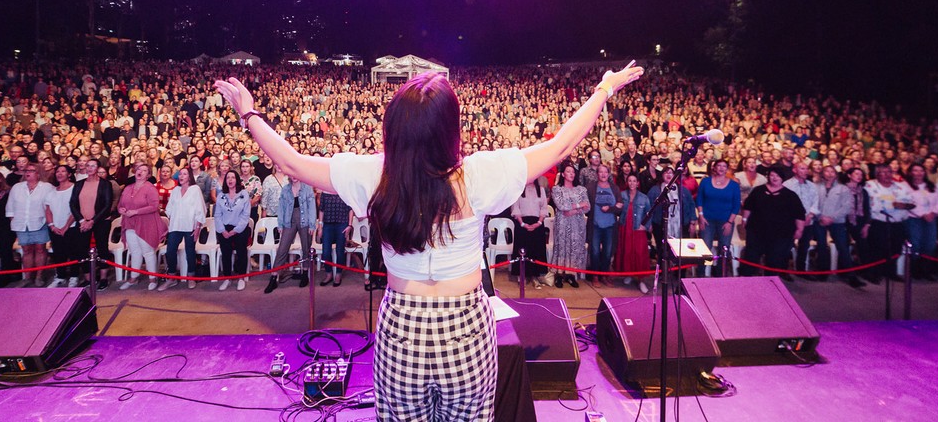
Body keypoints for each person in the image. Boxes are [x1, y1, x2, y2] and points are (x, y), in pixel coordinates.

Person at [215, 63, 643, 420]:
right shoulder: (479, 174)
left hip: (402, 326)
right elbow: (562, 143)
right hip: (466, 328)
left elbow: (290, 161)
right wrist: (603, 90)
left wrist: (249, 114)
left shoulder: (374, 174)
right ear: (449, 130)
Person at [739, 168, 806, 280]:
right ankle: (746, 279)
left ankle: (771, 282)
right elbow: (748, 206)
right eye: (772, 175)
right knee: (751, 256)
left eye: (777, 176)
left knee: (775, 259)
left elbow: (799, 214)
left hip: (781, 234)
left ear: (782, 179)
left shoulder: (790, 195)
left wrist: (800, 230)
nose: (774, 178)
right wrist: (745, 220)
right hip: (757, 231)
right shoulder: (758, 191)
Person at [264, 172, 316, 294]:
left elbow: (312, 207)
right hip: (289, 220)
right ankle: (274, 276)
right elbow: (281, 207)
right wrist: (280, 224)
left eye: (296, 174)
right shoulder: (286, 189)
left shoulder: (307, 188)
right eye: (292, 174)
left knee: (306, 247)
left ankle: (304, 273)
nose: (294, 176)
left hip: (305, 220)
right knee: (282, 248)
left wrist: (312, 224)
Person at [118, 163, 167, 291]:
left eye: (144, 170)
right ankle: (133, 277)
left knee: (148, 252)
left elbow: (154, 206)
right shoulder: (128, 188)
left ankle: (153, 278)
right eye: (139, 169)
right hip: (130, 223)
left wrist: (136, 212)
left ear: (148, 174)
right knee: (134, 251)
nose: (140, 171)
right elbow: (120, 204)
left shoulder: (150, 188)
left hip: (146, 223)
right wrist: (121, 209)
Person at [862, 164, 913, 284]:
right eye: (883, 172)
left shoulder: (902, 187)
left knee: (896, 248)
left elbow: (912, 204)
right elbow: (864, 205)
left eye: (889, 172)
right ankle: (875, 273)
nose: (887, 175)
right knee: (877, 249)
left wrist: (904, 205)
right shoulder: (869, 186)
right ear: (877, 174)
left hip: (897, 223)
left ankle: (891, 272)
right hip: (878, 222)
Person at [815, 165, 864, 287]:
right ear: (822, 173)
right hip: (820, 220)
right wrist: (820, 217)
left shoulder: (843, 188)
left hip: (837, 221)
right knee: (821, 246)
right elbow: (813, 203)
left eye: (832, 171)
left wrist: (832, 218)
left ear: (836, 174)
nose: (830, 173)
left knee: (843, 247)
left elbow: (847, 206)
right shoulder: (815, 187)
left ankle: (851, 276)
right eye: (827, 171)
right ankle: (822, 272)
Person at [6, 164, 54, 286]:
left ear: (38, 173)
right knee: (26, 250)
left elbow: (53, 203)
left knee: (40, 249)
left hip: (39, 223)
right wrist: (14, 220)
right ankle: (28, 277)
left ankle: (39, 276)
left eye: (32, 171)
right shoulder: (17, 187)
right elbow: (10, 206)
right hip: (21, 223)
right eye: (26, 170)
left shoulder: (47, 187)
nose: (28, 172)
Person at [158, 167, 206, 290]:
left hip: (190, 225)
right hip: (175, 226)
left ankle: (191, 277)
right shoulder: (175, 190)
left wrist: (197, 228)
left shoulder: (195, 189)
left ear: (189, 176)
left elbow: (200, 209)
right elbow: (169, 209)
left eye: (184, 174)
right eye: (180, 174)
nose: (181, 176)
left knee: (190, 252)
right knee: (170, 251)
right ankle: (172, 277)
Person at [70, 159, 114, 289]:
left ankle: (104, 278)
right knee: (81, 249)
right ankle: (89, 279)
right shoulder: (78, 184)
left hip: (100, 221)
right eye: (88, 166)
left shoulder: (105, 184)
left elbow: (107, 205)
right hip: (82, 222)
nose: (89, 168)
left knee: (102, 249)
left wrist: (93, 221)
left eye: (93, 166)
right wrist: (82, 220)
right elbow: (72, 204)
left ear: (98, 168)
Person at [696, 160, 741, 277]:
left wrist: (730, 222)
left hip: (725, 221)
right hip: (707, 220)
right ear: (714, 168)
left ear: (727, 169)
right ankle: (702, 273)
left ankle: (720, 274)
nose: (721, 168)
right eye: (719, 166)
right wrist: (700, 216)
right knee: (705, 248)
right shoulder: (705, 182)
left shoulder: (734, 185)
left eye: (724, 166)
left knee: (724, 248)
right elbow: (699, 199)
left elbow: (736, 206)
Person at [551, 162, 590, 288]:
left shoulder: (581, 189)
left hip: (577, 224)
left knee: (575, 247)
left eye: (573, 172)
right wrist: (579, 205)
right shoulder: (557, 189)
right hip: (562, 223)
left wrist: (573, 209)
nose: (571, 174)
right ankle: (559, 274)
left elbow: (587, 207)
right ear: (563, 174)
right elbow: (561, 206)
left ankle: (571, 275)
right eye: (568, 171)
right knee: (562, 246)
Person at [214, 169, 251, 291]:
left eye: (233, 177)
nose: (230, 180)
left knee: (241, 250)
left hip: (240, 228)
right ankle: (227, 278)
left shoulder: (244, 194)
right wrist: (222, 230)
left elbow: (246, 215)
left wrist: (236, 230)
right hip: (224, 228)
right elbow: (217, 215)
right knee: (226, 252)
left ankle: (241, 277)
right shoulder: (220, 195)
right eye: (228, 178)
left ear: (237, 180)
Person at [585, 164, 622, 287]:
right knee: (594, 251)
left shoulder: (614, 188)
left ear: (609, 173)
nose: (603, 174)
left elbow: (620, 206)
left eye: (605, 172)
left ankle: (604, 275)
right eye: (600, 172)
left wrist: (610, 208)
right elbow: (586, 204)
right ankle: (595, 276)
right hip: (595, 224)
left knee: (607, 251)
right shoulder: (591, 187)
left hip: (610, 225)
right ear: (597, 174)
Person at [615, 173, 652, 292]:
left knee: (639, 253)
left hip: (638, 229)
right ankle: (629, 274)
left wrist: (645, 226)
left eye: (634, 181)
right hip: (625, 228)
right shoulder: (622, 195)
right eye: (629, 181)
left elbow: (649, 213)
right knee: (627, 251)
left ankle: (641, 280)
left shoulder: (644, 197)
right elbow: (617, 210)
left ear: (638, 183)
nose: (632, 183)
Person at [511, 177, 550, 289]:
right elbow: (515, 208)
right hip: (522, 223)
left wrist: (539, 222)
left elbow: (543, 207)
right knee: (522, 249)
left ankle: (535, 275)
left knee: (536, 249)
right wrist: (522, 224)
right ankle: (521, 275)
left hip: (537, 223)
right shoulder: (518, 189)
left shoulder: (540, 189)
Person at [904, 164, 938, 281]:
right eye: (915, 170)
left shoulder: (931, 186)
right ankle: (915, 270)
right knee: (915, 243)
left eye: (921, 171)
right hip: (914, 218)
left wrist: (933, 213)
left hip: (931, 217)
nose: (919, 173)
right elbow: (907, 202)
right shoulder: (905, 186)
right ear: (910, 172)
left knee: (930, 244)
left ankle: (926, 270)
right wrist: (922, 214)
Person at [45, 165, 77, 287]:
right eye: (57, 171)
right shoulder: (52, 191)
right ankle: (60, 276)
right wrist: (52, 226)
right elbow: (48, 210)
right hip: (55, 228)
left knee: (73, 252)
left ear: (69, 174)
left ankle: (74, 276)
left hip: (72, 227)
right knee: (58, 253)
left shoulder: (74, 189)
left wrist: (66, 227)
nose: (59, 173)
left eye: (63, 171)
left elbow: (76, 210)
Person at [318, 190, 353, 287]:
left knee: (340, 251)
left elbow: (350, 209)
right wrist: (320, 226)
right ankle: (328, 274)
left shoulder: (345, 191)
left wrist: (349, 225)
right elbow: (321, 210)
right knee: (325, 252)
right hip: (327, 225)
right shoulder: (324, 192)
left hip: (342, 224)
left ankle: (338, 274)